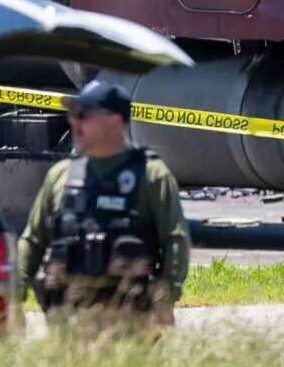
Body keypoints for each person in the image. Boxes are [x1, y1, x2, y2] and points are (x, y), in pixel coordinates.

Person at [18, 79, 190, 329]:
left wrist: (166, 298)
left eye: (83, 114)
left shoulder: (151, 175)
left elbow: (176, 239)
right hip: (68, 325)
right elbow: (32, 241)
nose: (74, 122)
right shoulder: (60, 175)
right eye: (73, 114)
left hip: (131, 326)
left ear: (115, 120)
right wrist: (14, 294)